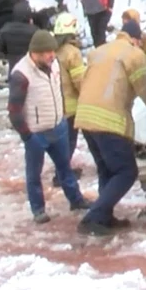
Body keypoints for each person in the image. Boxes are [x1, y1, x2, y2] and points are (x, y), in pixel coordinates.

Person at [74, 18, 146, 235]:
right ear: (136, 40)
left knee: (107, 170)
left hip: (85, 117)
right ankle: (93, 217)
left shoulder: (99, 52)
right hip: (109, 120)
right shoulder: (134, 55)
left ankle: (103, 217)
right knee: (126, 171)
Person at [7, 30, 90, 224]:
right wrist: (28, 136)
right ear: (35, 53)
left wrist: (61, 117)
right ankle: (38, 209)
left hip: (58, 125)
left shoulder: (54, 66)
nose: (51, 55)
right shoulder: (21, 74)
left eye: (52, 51)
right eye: (46, 52)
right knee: (34, 174)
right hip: (36, 133)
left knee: (65, 169)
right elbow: (14, 110)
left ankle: (76, 200)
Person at [51, 12, 87, 187]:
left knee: (61, 142)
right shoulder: (72, 53)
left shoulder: (51, 51)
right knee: (69, 142)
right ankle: (62, 175)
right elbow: (80, 81)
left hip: (54, 104)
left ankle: (61, 172)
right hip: (71, 106)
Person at [0, 2, 39, 73]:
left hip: (14, 67)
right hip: (31, 67)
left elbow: (0, 48)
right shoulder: (35, 31)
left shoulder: (5, 30)